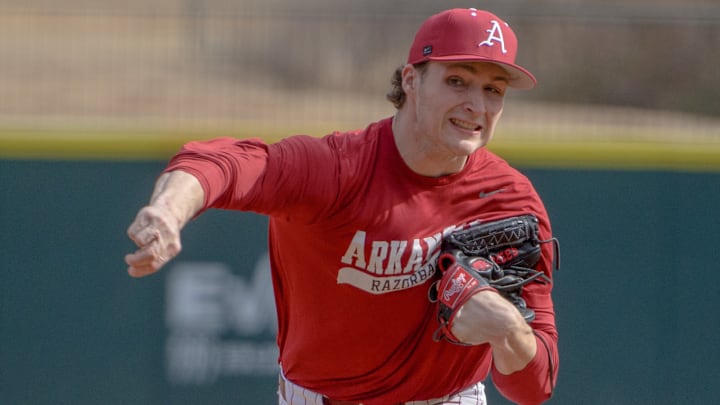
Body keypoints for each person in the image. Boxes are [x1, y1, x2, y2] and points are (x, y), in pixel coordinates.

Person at [125, 8, 559, 405]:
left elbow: (534, 386)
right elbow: (222, 162)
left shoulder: (508, 200)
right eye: (457, 81)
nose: (476, 105)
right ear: (411, 79)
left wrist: (509, 332)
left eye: (493, 89)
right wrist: (168, 210)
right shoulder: (338, 170)